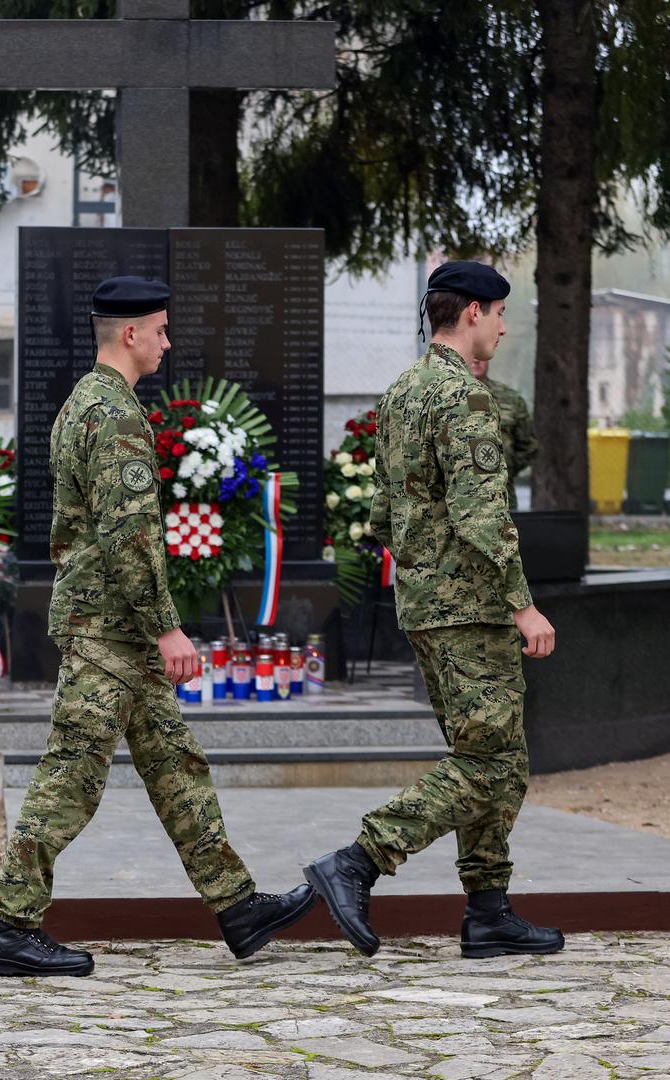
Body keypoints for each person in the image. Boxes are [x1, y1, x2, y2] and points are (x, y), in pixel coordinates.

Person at [0, 277, 316, 978]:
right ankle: (11, 926)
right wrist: (167, 628)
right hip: (109, 630)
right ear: (130, 333)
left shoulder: (87, 401)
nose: (167, 343)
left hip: (115, 627)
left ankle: (237, 906)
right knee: (70, 778)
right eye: (160, 331)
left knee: (176, 768)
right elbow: (128, 534)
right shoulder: (113, 414)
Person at [303, 261, 561, 959]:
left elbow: (383, 514)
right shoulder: (464, 397)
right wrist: (521, 605)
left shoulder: (402, 391)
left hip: (423, 606)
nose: (503, 328)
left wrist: (424, 574)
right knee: (489, 764)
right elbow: (481, 514)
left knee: (496, 759)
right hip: (473, 609)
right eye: (499, 314)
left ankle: (488, 911)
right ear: (472, 311)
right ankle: (357, 861)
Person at [465, 352, 538, 509]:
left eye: (481, 354)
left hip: (503, 498)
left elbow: (528, 446)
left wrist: (506, 468)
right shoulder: (444, 399)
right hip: (459, 502)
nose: (476, 360)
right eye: (472, 353)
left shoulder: (511, 399)